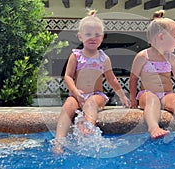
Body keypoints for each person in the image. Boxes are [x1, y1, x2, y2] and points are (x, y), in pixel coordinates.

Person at [54, 10, 130, 153]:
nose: (92, 38)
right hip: (77, 95)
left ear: (102, 37)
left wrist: (123, 96)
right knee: (68, 106)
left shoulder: (103, 58)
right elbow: (68, 76)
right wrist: (75, 92)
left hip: (97, 95)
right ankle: (59, 142)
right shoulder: (76, 56)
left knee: (91, 103)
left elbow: (111, 79)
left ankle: (86, 129)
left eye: (97, 35)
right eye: (88, 34)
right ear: (80, 36)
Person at [129, 10, 175, 140]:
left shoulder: (172, 58)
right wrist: (133, 100)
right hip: (146, 94)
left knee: (174, 100)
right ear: (161, 37)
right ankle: (154, 128)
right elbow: (133, 79)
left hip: (166, 94)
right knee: (152, 100)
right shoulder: (143, 56)